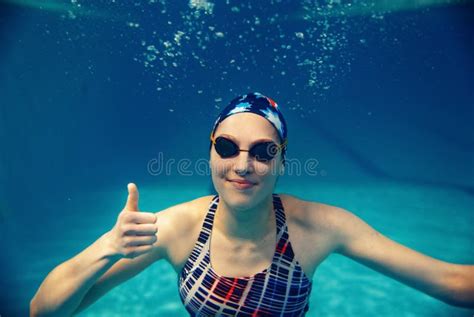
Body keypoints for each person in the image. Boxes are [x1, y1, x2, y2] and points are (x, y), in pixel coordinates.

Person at [30, 92, 474, 316]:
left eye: (263, 152)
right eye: (227, 147)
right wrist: (107, 246)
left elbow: (454, 283)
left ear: (282, 163)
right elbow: (44, 310)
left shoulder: (320, 226)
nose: (243, 166)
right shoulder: (176, 228)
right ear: (209, 154)